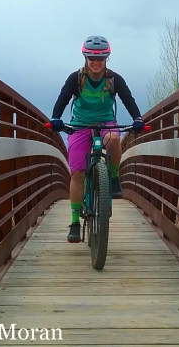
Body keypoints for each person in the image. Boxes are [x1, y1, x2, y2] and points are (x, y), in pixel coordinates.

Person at [49, 35, 145, 242]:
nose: (95, 62)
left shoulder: (113, 79)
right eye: (91, 57)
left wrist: (138, 118)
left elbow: (128, 99)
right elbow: (63, 98)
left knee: (113, 139)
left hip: (106, 122)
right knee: (77, 174)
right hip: (80, 125)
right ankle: (75, 221)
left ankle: (113, 176)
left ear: (106, 58)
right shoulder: (76, 78)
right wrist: (55, 118)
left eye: (100, 58)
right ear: (85, 57)